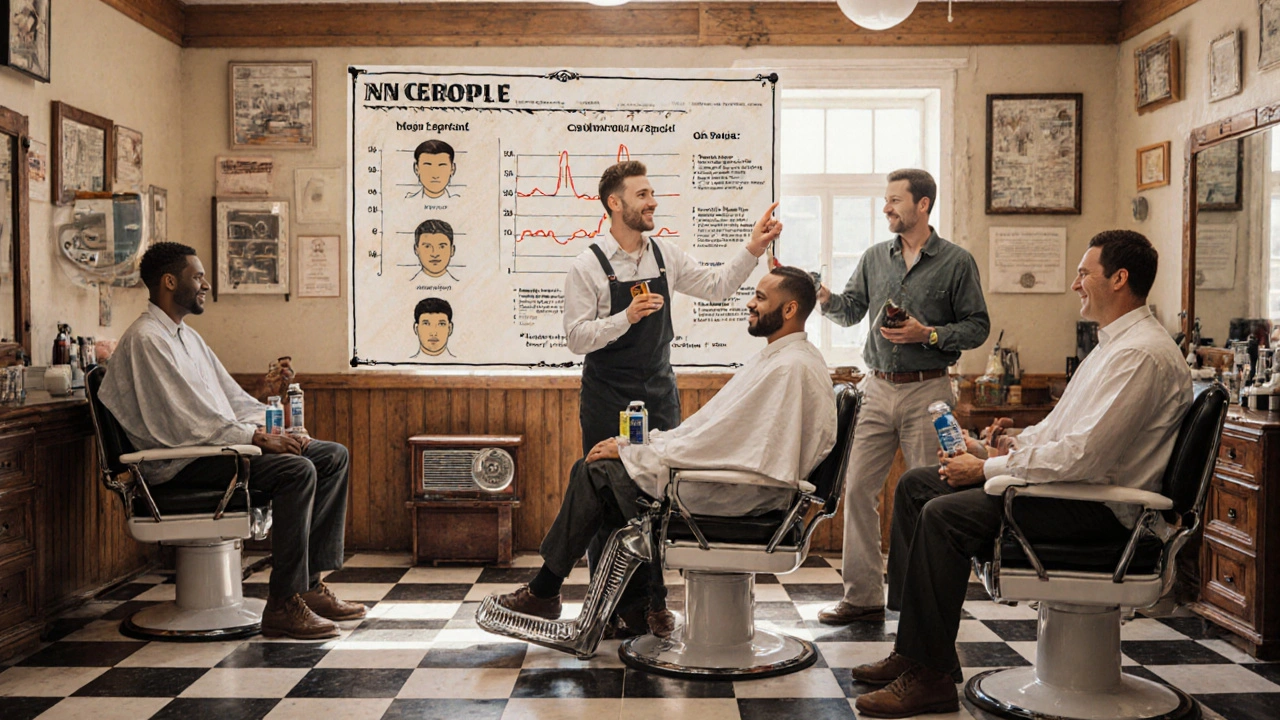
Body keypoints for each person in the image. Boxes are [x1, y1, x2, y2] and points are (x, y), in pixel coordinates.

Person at [851, 230, 1191, 718]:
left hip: (1101, 512)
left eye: (1083, 273)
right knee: (915, 485)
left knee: (944, 515)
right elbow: (1064, 430)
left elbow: (1085, 458)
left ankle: (931, 678)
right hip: (1074, 491)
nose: (1076, 283)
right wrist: (1005, 445)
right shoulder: (1114, 345)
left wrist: (986, 467)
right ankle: (916, 650)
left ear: (1119, 279)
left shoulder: (1139, 354)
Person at [496, 266, 837, 636]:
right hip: (744, 485)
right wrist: (643, 449)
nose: (750, 304)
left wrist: (638, 454)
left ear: (789, 310)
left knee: (595, 473)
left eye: (760, 297)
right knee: (605, 485)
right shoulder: (784, 359)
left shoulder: (788, 369)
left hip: (745, 496)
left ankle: (547, 590)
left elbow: (728, 446)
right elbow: (718, 436)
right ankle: (632, 608)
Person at [99, 242, 366, 640]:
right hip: (178, 465)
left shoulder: (185, 338)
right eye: (198, 277)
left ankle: (308, 585)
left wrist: (279, 430)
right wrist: (258, 437)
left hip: (208, 449)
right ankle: (282, 603)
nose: (205, 284)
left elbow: (228, 402)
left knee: (330, 456)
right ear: (170, 282)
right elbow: (182, 423)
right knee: (296, 471)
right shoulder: (147, 339)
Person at [563, 160, 781, 635]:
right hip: (607, 395)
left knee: (659, 500)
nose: (652, 202)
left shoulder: (665, 255)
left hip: (659, 393)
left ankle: (656, 603)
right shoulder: (587, 265)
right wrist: (626, 318)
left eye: (652, 192)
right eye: (642, 194)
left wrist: (752, 247)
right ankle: (612, 605)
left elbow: (718, 287)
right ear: (614, 203)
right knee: (606, 496)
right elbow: (577, 338)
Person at [816, 168, 990, 625]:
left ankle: (918, 602)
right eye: (886, 200)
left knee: (929, 497)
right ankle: (862, 596)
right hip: (874, 388)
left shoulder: (956, 262)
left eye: (895, 200)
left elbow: (977, 327)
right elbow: (851, 311)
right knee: (856, 490)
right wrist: (821, 296)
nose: (886, 208)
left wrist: (926, 333)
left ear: (923, 205)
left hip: (929, 390)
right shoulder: (875, 257)